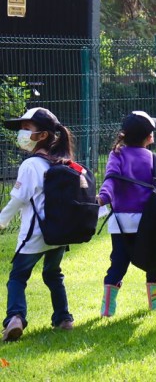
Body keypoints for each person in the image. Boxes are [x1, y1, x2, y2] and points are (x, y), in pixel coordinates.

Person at [0, 108, 76, 341]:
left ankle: (15, 318)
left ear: (42, 135)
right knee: (53, 274)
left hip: (35, 235)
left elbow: (19, 199)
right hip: (59, 234)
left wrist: (1, 222)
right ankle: (64, 318)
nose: (21, 133)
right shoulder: (62, 162)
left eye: (26, 129)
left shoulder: (31, 165)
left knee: (17, 277)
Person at [97, 111, 156, 315]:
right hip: (150, 223)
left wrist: (102, 198)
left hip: (121, 223)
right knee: (155, 261)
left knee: (118, 262)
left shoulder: (116, 155)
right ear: (150, 137)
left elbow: (110, 181)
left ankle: (107, 308)